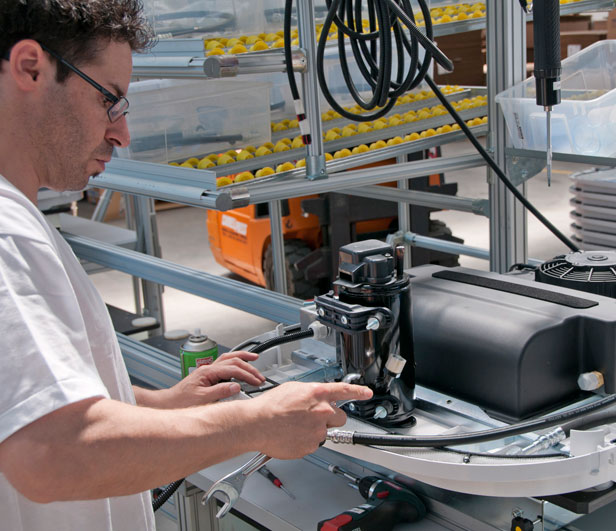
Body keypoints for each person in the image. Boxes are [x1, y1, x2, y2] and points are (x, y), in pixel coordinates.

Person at [0, 2, 372, 530]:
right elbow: (50, 451)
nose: (122, 133)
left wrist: (162, 405)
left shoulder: (18, 219)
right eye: (109, 100)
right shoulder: (7, 234)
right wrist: (252, 422)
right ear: (30, 68)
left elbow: (28, 402)